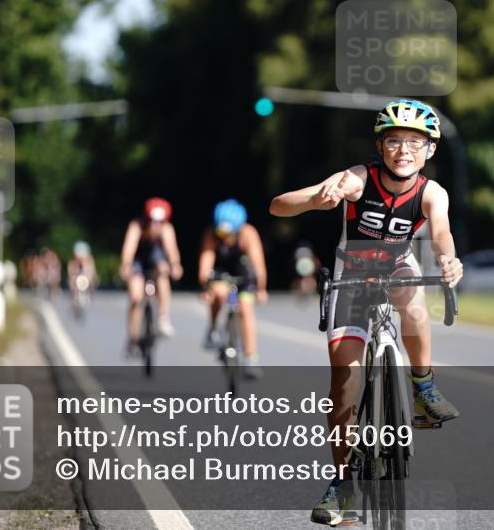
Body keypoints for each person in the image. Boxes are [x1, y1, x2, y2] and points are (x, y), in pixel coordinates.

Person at [269, 99, 464, 526]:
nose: (404, 150)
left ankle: (423, 386)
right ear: (381, 145)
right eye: (394, 141)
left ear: (430, 149)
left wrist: (449, 259)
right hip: (352, 268)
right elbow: (279, 205)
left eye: (415, 142)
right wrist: (318, 199)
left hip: (396, 262)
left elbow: (442, 232)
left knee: (413, 303)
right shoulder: (358, 179)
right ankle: (342, 482)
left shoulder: (432, 192)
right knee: (344, 379)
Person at [197, 199, 269, 379]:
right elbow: (205, 264)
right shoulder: (211, 234)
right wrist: (206, 287)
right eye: (221, 232)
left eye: (228, 233)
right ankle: (213, 329)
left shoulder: (248, 233)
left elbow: (258, 265)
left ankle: (251, 356)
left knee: (246, 307)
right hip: (220, 272)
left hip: (243, 272)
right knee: (219, 292)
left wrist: (261, 289)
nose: (224, 237)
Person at [119, 198, 184, 351]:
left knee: (162, 271)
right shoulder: (137, 226)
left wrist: (175, 265)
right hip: (138, 260)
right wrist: (126, 265)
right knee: (135, 296)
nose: (156, 226)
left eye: (160, 222)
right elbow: (129, 248)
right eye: (152, 221)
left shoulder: (166, 229)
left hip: (155, 259)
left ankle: (163, 318)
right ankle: (133, 336)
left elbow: (172, 250)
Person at [67, 241, 98, 311]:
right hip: (77, 276)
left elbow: (92, 270)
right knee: (72, 284)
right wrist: (71, 277)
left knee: (91, 282)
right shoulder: (73, 261)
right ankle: (72, 296)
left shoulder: (89, 260)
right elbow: (71, 271)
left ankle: (90, 292)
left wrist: (92, 276)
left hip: (85, 275)